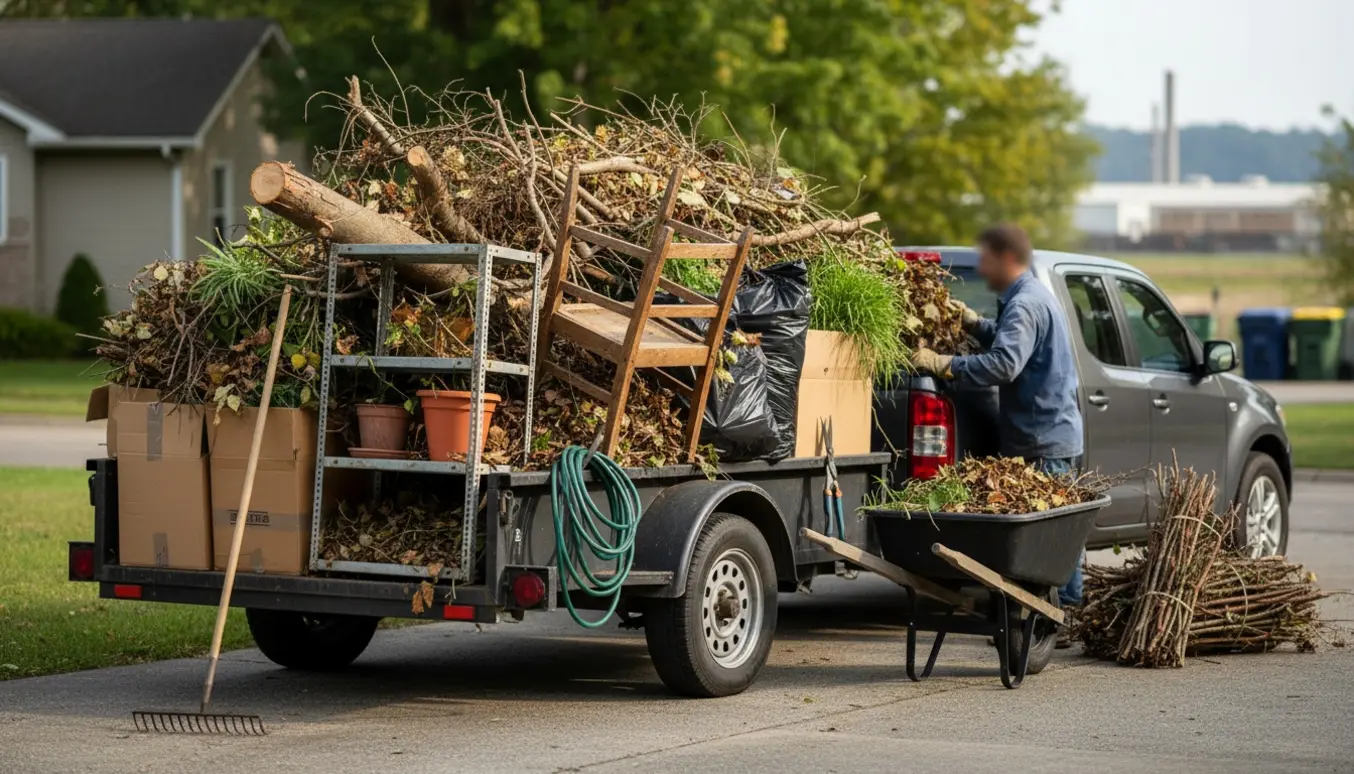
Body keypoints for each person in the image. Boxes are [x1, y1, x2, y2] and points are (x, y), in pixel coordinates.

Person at [909, 224, 1086, 622]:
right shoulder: (1030, 296)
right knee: (1060, 531)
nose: (982, 268)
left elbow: (1005, 364)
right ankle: (1067, 615)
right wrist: (975, 325)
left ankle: (1061, 617)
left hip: (1041, 440)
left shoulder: (1024, 305)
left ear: (1007, 257)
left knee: (1050, 535)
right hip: (1050, 434)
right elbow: (1013, 342)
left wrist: (945, 364)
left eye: (986, 260)